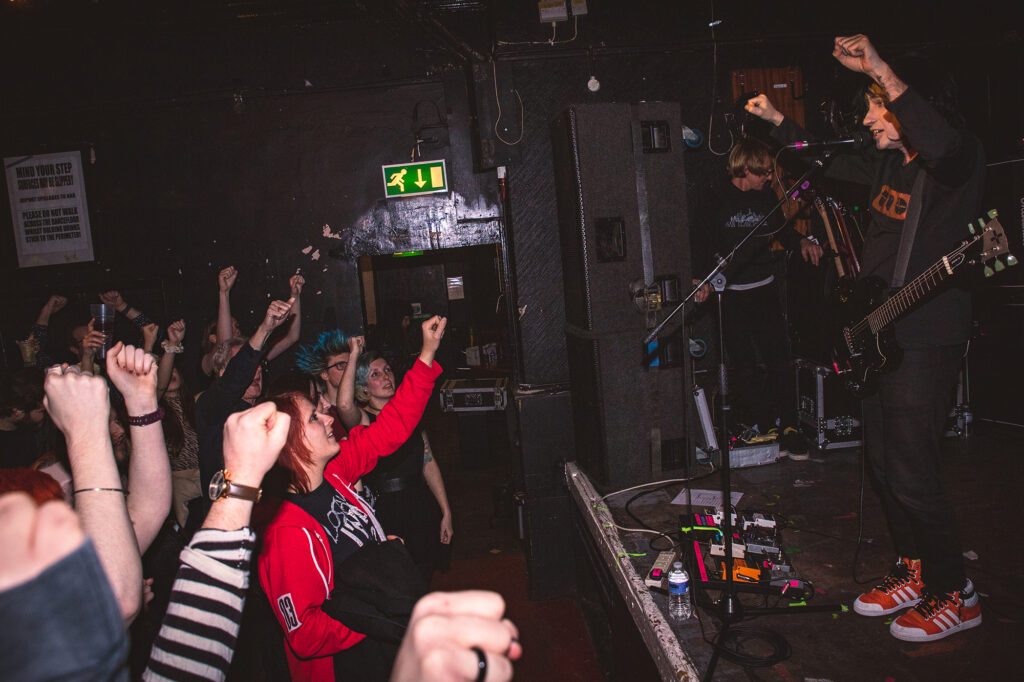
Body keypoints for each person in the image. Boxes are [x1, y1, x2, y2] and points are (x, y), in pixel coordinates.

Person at [747, 34, 984, 642]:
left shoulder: (955, 161)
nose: (869, 116)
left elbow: (939, 140)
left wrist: (882, 67)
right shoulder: (886, 163)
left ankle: (957, 591)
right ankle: (915, 569)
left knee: (912, 468)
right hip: (880, 333)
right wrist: (778, 122)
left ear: (913, 107)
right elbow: (821, 159)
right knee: (883, 463)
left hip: (927, 335)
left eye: (879, 105)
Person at [258, 316, 446, 682]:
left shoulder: (337, 469)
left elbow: (391, 428)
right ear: (291, 443)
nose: (328, 419)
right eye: (315, 418)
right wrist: (378, 616)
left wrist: (426, 354)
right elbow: (306, 635)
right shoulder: (284, 530)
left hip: (380, 648)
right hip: (345, 665)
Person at [692, 136, 822, 459]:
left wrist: (802, 241)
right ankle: (766, 425)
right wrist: (699, 277)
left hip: (763, 288)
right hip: (730, 294)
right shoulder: (715, 196)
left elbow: (782, 230)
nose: (768, 178)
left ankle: (790, 428)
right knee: (744, 365)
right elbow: (700, 240)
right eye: (763, 172)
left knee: (779, 359)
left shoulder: (766, 198)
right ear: (745, 169)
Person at [342, 346, 454, 579]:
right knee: (396, 583)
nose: (386, 377)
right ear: (363, 387)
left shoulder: (409, 415)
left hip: (419, 506)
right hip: (385, 511)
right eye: (375, 374)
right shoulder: (363, 420)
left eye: (387, 370)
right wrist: (353, 355)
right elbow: (343, 406)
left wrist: (445, 511)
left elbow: (428, 463)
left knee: (423, 576)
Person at [196, 296, 294, 512]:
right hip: (226, 518)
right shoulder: (211, 407)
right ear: (222, 372)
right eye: (250, 365)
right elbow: (236, 376)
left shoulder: (266, 409)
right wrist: (265, 329)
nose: (256, 370)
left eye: (259, 365)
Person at [294, 328, 357, 438]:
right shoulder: (319, 414)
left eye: (352, 364)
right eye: (342, 365)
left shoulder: (361, 404)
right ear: (325, 374)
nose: (350, 370)